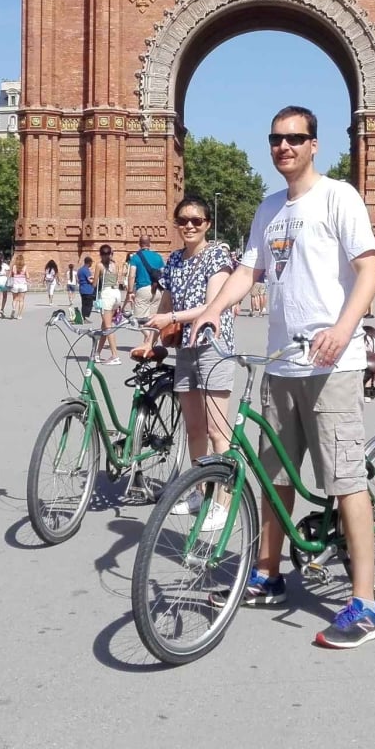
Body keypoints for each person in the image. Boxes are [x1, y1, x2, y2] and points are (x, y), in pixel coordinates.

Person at [192, 104, 375, 650]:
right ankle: (268, 572)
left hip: (333, 364)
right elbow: (250, 270)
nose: (285, 147)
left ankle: (366, 603)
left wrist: (344, 329)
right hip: (281, 362)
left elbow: (369, 267)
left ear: (314, 144)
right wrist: (213, 310)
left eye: (295, 138)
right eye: (276, 138)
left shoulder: (338, 196)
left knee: (346, 478)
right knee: (274, 475)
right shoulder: (270, 207)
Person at [144, 196, 238, 530]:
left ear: (207, 224)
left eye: (196, 220)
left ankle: (224, 502)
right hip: (186, 347)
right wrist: (148, 340)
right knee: (194, 429)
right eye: (183, 220)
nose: (189, 226)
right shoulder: (173, 260)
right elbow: (165, 301)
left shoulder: (217, 256)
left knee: (217, 430)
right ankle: (201, 491)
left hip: (213, 345)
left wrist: (169, 316)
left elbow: (212, 305)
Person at [93, 245, 124, 364]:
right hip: (116, 294)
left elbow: (95, 284)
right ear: (111, 253)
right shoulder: (115, 265)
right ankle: (97, 353)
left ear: (101, 254)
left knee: (108, 326)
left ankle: (115, 355)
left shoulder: (99, 265)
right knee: (105, 326)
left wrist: (91, 280)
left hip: (107, 295)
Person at [126, 235, 164, 326]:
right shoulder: (158, 257)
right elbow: (163, 273)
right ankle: (151, 339)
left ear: (139, 244)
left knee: (139, 320)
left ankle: (147, 339)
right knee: (153, 320)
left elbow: (132, 275)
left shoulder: (135, 257)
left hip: (143, 289)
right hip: (157, 290)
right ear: (149, 244)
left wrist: (130, 291)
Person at [10, 254, 30, 319]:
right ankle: (19, 315)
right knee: (21, 300)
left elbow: (11, 275)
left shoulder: (14, 266)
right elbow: (28, 276)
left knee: (14, 299)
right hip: (23, 285)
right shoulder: (25, 267)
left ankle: (13, 309)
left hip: (15, 284)